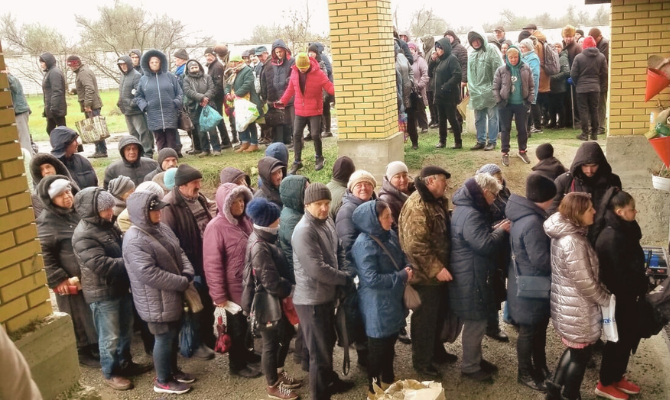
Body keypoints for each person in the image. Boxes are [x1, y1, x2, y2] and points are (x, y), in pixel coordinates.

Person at [72, 187, 151, 390]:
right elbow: (101, 265)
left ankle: (126, 363)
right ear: (92, 210)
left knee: (125, 330)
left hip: (120, 288)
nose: (111, 212)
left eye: (111, 207)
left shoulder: (108, 225)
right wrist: (132, 261)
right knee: (110, 336)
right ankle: (110, 372)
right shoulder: (83, 235)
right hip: (102, 294)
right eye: (105, 209)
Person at [123, 190, 196, 395]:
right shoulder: (134, 239)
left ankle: (173, 371)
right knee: (163, 338)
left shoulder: (161, 228)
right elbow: (149, 274)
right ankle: (162, 380)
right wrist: (181, 282)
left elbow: (179, 251)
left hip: (171, 296)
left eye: (158, 210)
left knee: (171, 336)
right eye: (153, 211)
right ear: (141, 213)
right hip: (155, 301)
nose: (159, 214)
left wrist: (188, 271)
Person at [543, 192, 611, 400]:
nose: (594, 211)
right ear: (578, 213)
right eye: (589, 208)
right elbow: (586, 283)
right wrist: (606, 299)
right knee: (580, 357)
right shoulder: (573, 242)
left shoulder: (565, 234)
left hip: (568, 305)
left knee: (574, 351)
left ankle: (554, 390)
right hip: (577, 309)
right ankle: (570, 395)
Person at [292, 183, 355, 400]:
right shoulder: (304, 231)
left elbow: (339, 249)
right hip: (312, 301)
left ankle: (329, 381)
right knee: (319, 355)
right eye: (319, 204)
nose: (324, 208)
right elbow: (316, 269)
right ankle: (320, 395)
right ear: (307, 204)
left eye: (327, 203)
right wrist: (345, 278)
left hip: (325, 296)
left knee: (326, 345)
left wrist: (345, 269)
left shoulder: (327, 221)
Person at [449, 173, 510, 382]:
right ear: (484, 193)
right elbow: (484, 245)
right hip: (472, 275)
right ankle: (470, 366)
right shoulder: (472, 214)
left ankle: (475, 359)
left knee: (478, 321)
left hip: (470, 272)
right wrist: (501, 231)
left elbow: (477, 237)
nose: (494, 199)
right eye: (493, 195)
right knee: (476, 322)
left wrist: (493, 229)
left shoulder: (466, 208)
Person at [242, 198, 302, 400]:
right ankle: (272, 386)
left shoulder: (264, 237)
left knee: (284, 336)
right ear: (269, 221)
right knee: (270, 343)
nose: (279, 222)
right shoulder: (260, 246)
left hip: (275, 300)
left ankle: (278, 371)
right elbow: (270, 282)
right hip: (266, 303)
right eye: (277, 219)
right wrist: (292, 289)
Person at [398, 166, 455, 378]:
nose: (446, 184)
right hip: (425, 277)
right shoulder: (418, 205)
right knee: (425, 321)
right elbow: (415, 245)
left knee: (437, 316)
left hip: (436, 275)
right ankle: (422, 362)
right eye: (442, 180)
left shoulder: (435, 200)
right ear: (430, 181)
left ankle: (436, 352)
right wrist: (436, 268)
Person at [36, 176, 98, 366]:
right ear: (50, 199)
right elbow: (44, 254)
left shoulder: (76, 211)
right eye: (61, 194)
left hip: (86, 276)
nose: (67, 196)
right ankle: (82, 351)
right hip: (69, 279)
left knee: (89, 313)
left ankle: (95, 345)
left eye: (68, 191)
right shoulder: (47, 222)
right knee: (76, 314)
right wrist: (58, 279)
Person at [352, 200, 412, 395]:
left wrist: (408, 266)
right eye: (386, 217)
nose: (390, 219)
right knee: (377, 347)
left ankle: (388, 378)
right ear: (373, 221)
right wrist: (402, 276)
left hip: (392, 300)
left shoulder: (389, 234)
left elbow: (400, 255)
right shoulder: (364, 243)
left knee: (390, 342)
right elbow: (371, 279)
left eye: (390, 215)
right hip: (376, 304)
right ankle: (374, 388)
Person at [202, 183, 262, 378]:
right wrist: (218, 295)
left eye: (242, 200)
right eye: (234, 201)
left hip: (248, 285)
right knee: (236, 328)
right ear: (225, 204)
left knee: (246, 325)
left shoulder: (246, 221)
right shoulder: (216, 228)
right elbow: (212, 264)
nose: (240, 205)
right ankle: (237, 365)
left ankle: (247, 353)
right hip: (232, 289)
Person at [506, 174, 557, 392]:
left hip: (525, 285)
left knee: (538, 328)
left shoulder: (524, 215)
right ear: (545, 198)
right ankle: (525, 372)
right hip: (532, 287)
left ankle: (541, 366)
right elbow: (541, 260)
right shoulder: (534, 222)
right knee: (529, 331)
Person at [593, 191, 645, 400]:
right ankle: (604, 383)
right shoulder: (612, 237)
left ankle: (617, 377)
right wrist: (638, 287)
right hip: (619, 299)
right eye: (632, 208)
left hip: (629, 297)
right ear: (619, 211)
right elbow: (618, 276)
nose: (635, 212)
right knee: (616, 341)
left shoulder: (625, 229)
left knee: (626, 339)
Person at [161, 164, 216, 359]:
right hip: (190, 265)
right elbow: (170, 241)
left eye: (199, 181)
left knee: (208, 303)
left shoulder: (198, 198)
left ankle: (209, 338)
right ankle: (196, 344)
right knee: (195, 306)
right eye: (195, 182)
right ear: (182, 186)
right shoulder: (169, 206)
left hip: (206, 260)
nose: (199, 186)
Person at [279, 53, 334, 174]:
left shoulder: (318, 73)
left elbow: (329, 86)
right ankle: (297, 162)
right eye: (300, 67)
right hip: (300, 109)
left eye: (304, 67)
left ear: (309, 64)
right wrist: (282, 101)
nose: (302, 69)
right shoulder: (294, 72)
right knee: (296, 134)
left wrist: (339, 91)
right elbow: (290, 89)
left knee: (315, 134)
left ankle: (319, 157)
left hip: (315, 109)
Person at [475, 164, 511, 343]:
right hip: (491, 247)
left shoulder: (504, 191)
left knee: (503, 282)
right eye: (495, 178)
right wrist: (498, 228)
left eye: (500, 176)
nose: (499, 180)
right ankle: (492, 326)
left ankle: (508, 317)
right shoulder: (481, 199)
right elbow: (479, 228)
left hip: (504, 245)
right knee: (491, 289)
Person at [550, 142, 622, 215]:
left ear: (600, 164)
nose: (589, 170)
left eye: (594, 166)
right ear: (579, 165)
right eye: (585, 166)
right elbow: (552, 209)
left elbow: (620, 206)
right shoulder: (564, 181)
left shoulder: (613, 180)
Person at [493, 45, 535, 166]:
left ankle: (522, 150)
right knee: (505, 129)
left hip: (521, 104)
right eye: (510, 57)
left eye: (515, 57)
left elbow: (532, 86)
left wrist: (529, 101)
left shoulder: (526, 68)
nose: (513, 60)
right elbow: (495, 87)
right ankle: (505, 152)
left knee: (522, 129)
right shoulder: (501, 70)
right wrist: (499, 101)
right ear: (507, 57)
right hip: (505, 104)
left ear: (519, 56)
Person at [135, 49, 183, 151]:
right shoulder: (144, 79)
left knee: (171, 139)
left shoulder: (170, 77)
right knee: (159, 140)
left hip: (169, 113)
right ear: (148, 64)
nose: (154, 64)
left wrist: (175, 103)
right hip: (154, 114)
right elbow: (138, 96)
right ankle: (162, 160)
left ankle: (173, 159)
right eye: (152, 62)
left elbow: (180, 93)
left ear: (161, 62)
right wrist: (144, 106)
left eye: (156, 62)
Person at [467, 29, 503, 151]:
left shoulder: (491, 50)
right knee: (479, 117)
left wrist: (496, 87)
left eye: (477, 40)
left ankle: (492, 141)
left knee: (492, 117)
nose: (476, 43)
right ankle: (480, 140)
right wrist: (471, 88)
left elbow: (498, 69)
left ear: (482, 39)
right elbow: (470, 74)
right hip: (477, 92)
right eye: (473, 41)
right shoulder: (472, 54)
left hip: (490, 90)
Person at [67, 55, 106, 158]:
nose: (70, 67)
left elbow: (90, 88)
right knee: (94, 128)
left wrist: (87, 104)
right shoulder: (81, 72)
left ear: (76, 64)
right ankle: (99, 150)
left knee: (96, 128)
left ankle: (101, 151)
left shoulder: (83, 73)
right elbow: (85, 88)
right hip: (92, 104)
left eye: (71, 65)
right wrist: (76, 91)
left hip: (92, 105)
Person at [225, 54, 264, 153]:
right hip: (237, 102)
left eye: (235, 62)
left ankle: (254, 143)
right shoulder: (233, 73)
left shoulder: (247, 70)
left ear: (240, 62)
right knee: (240, 122)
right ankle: (245, 142)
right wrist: (228, 93)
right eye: (232, 62)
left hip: (248, 101)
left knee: (250, 122)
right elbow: (228, 85)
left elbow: (248, 84)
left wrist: (236, 94)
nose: (233, 64)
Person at [117, 56, 155, 158]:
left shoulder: (136, 76)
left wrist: (131, 104)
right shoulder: (123, 76)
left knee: (143, 132)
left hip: (136, 111)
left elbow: (140, 94)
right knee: (133, 134)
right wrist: (120, 103)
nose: (123, 67)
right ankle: (139, 154)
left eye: (125, 64)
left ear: (129, 64)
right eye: (121, 65)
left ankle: (147, 153)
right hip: (127, 111)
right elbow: (122, 92)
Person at [571, 36, 608, 141]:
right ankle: (594, 133)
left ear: (584, 46)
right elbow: (604, 73)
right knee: (594, 110)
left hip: (581, 88)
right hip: (595, 88)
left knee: (583, 111)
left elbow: (573, 74)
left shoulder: (579, 57)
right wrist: (600, 85)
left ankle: (584, 133)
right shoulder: (601, 57)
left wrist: (576, 83)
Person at [182, 59, 221, 157]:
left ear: (199, 67)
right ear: (188, 69)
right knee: (200, 131)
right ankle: (205, 149)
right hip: (195, 107)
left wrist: (206, 98)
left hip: (209, 105)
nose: (194, 69)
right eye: (192, 68)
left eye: (196, 67)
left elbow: (212, 89)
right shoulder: (186, 79)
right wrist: (201, 98)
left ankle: (216, 149)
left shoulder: (207, 77)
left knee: (212, 128)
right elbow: (188, 91)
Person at [430, 38, 463, 149]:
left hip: (449, 95)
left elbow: (457, 75)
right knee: (441, 119)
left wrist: (446, 86)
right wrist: (432, 61)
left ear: (445, 48)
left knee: (452, 118)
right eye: (437, 48)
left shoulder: (452, 59)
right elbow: (430, 73)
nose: (438, 50)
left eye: (440, 48)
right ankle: (442, 141)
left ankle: (458, 142)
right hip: (439, 95)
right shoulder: (439, 60)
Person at [262, 40, 295, 146]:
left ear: (285, 51)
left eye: (281, 51)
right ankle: (287, 141)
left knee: (293, 120)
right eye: (277, 52)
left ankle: (295, 141)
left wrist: (286, 81)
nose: (279, 54)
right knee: (284, 119)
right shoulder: (274, 63)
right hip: (279, 94)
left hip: (290, 93)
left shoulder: (291, 61)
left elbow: (293, 76)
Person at [205, 47, 234, 148]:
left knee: (219, 119)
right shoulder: (211, 66)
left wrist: (211, 96)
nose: (208, 57)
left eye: (209, 55)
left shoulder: (216, 66)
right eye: (206, 56)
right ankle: (225, 140)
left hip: (217, 96)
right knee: (218, 118)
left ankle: (226, 141)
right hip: (214, 95)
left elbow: (218, 84)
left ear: (214, 55)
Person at [378, 161, 414, 233]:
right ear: (390, 179)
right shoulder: (386, 200)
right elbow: (393, 228)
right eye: (397, 177)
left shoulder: (415, 191)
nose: (402, 180)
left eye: (405, 175)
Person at [308, 42, 334, 138]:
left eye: (312, 52)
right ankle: (319, 129)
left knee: (325, 109)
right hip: (315, 90)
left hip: (324, 88)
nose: (310, 54)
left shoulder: (322, 59)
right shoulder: (308, 61)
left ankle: (327, 130)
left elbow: (327, 71)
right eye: (309, 52)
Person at [3, 69, 32, 154]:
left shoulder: (11, 78)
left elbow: (15, 86)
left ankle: (29, 162)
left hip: (20, 112)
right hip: (17, 112)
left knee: (24, 139)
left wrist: (6, 74)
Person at [39, 52, 67, 135]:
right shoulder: (49, 72)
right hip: (51, 108)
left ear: (48, 62)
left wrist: (53, 107)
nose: (41, 64)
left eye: (42, 62)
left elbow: (57, 90)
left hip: (55, 108)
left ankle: (70, 145)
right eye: (40, 62)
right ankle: (61, 146)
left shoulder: (54, 72)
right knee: (52, 130)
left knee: (62, 131)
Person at [589, 28, 610, 135]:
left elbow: (603, 62)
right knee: (596, 104)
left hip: (602, 80)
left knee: (601, 104)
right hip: (598, 80)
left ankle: (601, 127)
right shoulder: (601, 44)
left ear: (599, 37)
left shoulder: (605, 44)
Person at [519, 39, 541, 136]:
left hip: (529, 86)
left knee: (528, 106)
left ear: (528, 47)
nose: (521, 49)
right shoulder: (522, 57)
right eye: (520, 47)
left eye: (523, 47)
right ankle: (523, 129)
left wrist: (530, 87)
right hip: (521, 86)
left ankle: (527, 129)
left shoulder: (533, 58)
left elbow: (535, 74)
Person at [562, 25, 583, 129]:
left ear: (574, 36)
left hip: (575, 79)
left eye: (570, 36)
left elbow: (579, 64)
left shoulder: (577, 47)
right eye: (566, 36)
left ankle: (577, 121)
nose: (568, 38)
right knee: (567, 101)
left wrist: (574, 77)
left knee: (575, 101)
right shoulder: (564, 46)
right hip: (566, 77)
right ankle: (569, 120)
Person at [548, 42, 570, 129]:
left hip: (560, 86)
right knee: (551, 106)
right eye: (554, 47)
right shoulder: (553, 58)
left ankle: (561, 123)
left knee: (560, 106)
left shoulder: (563, 58)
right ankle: (553, 122)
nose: (556, 49)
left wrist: (553, 78)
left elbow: (566, 72)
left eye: (558, 47)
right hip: (552, 87)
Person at [408, 43, 429, 135]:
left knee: (420, 108)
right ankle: (414, 126)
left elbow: (425, 74)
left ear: (415, 50)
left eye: (411, 49)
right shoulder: (406, 61)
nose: (410, 51)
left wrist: (420, 85)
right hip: (409, 89)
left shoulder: (421, 61)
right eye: (408, 49)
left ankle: (424, 126)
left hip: (419, 88)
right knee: (411, 108)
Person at [422, 35, 438, 128]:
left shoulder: (432, 51)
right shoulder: (425, 52)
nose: (424, 44)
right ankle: (433, 118)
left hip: (432, 80)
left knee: (434, 101)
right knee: (430, 101)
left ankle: (437, 120)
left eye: (425, 41)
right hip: (428, 80)